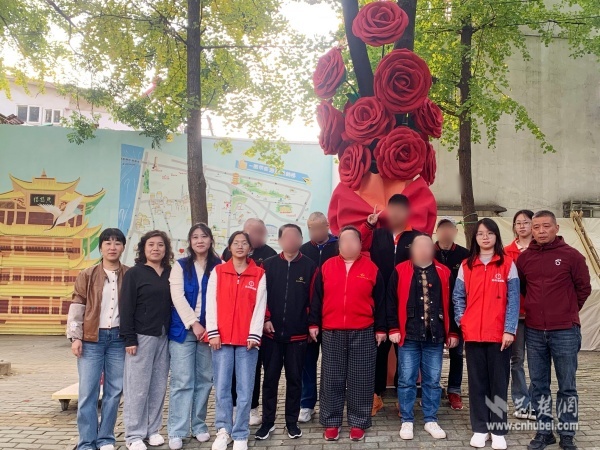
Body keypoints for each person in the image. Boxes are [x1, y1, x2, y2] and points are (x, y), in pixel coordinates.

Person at [516, 211, 591, 450]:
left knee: (567, 386)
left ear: (556, 228)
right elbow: (524, 288)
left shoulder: (572, 256)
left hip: (565, 331)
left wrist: (567, 310)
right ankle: (544, 432)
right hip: (534, 331)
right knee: (539, 385)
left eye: (546, 226)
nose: (541, 231)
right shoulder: (524, 259)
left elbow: (584, 288)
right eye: (536, 227)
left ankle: (567, 434)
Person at [308, 226, 387, 442]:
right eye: (344, 240)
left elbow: (381, 302)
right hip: (332, 331)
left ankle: (358, 422)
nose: (349, 244)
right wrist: (313, 323)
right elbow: (316, 298)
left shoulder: (371, 268)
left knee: (361, 379)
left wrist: (381, 328)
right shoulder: (327, 266)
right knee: (331, 378)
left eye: (353, 240)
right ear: (339, 244)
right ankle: (331, 421)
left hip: (363, 330)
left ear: (360, 244)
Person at [453, 218, 519, 450]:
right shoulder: (466, 265)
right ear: (475, 238)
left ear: (496, 236)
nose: (485, 237)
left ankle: (498, 430)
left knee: (498, 384)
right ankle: (480, 428)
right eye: (481, 233)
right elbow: (458, 297)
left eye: (490, 233)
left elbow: (513, 300)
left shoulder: (507, 264)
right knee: (477, 383)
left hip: (499, 336)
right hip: (473, 335)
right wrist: (463, 322)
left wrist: (509, 329)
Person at [388, 235, 460, 440]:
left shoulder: (444, 272)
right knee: (406, 379)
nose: (423, 249)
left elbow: (452, 303)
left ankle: (430, 419)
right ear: (412, 249)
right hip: (408, 335)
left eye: (427, 245)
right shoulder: (400, 270)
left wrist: (453, 331)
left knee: (433, 380)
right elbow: (391, 301)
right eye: (418, 246)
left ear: (433, 248)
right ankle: (407, 420)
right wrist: (393, 328)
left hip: (434, 336)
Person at [67, 228, 129, 450]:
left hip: (118, 340)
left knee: (114, 391)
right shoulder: (87, 274)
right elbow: (77, 306)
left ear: (123, 247)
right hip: (91, 339)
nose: (112, 247)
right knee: (88, 392)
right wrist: (75, 337)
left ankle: (106, 438)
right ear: (101, 247)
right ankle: (87, 441)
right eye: (108, 243)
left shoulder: (129, 275)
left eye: (117, 243)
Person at [360, 194, 422, 416]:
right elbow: (358, 244)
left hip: (406, 303)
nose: (395, 214)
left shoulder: (417, 237)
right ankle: (375, 397)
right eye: (392, 210)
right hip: (378, 300)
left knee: (405, 353)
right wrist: (369, 225)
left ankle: (402, 399)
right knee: (378, 351)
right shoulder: (378, 234)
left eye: (400, 210)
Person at [255, 224, 317, 440]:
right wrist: (266, 319)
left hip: (298, 335)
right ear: (280, 240)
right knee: (270, 379)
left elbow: (314, 299)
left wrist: (311, 324)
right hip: (271, 334)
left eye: (295, 236)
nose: (291, 240)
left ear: (301, 239)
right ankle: (268, 422)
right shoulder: (268, 265)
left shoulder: (310, 266)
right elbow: (261, 297)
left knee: (294, 380)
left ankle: (292, 422)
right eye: (287, 237)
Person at [206, 231, 268, 450]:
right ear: (229, 247)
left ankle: (241, 433)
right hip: (221, 339)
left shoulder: (258, 274)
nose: (240, 246)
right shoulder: (218, 271)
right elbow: (211, 302)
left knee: (245, 388)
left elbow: (260, 306)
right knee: (222, 387)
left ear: (250, 248)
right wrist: (213, 331)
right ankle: (223, 430)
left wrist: (254, 334)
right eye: (236, 243)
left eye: (244, 243)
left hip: (247, 341)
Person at [167, 223, 222, 450]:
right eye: (195, 237)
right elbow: (177, 297)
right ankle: (177, 430)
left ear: (210, 240)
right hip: (183, 331)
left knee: (205, 379)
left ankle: (198, 425)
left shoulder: (220, 266)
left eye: (204, 236)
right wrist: (194, 323)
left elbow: (221, 299)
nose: (200, 240)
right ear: (190, 242)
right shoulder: (180, 266)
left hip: (210, 332)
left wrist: (210, 327)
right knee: (182, 380)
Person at [120, 230, 173, 450]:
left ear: (166, 249)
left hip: (164, 336)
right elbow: (126, 307)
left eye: (160, 245)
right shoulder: (135, 274)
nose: (155, 249)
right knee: (137, 387)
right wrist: (129, 338)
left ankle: (153, 430)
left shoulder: (170, 272)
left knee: (158, 385)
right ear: (143, 248)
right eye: (151, 245)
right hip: (141, 337)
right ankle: (133, 435)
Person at [221, 217, 275, 426]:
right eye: (254, 232)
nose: (259, 236)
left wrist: (266, 318)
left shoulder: (270, 255)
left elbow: (268, 294)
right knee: (230, 371)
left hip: (256, 324)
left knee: (253, 368)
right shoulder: (226, 258)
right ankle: (233, 408)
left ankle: (252, 407)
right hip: (230, 324)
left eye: (262, 232)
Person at [298, 211, 338, 423]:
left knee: (331, 366)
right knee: (307, 363)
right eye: (311, 228)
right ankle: (306, 404)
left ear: (327, 226)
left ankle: (331, 404)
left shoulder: (338, 247)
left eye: (318, 227)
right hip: (309, 317)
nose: (315, 232)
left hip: (332, 316)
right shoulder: (303, 251)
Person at [504, 209, 536, 421]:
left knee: (537, 362)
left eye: (526, 222)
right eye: (518, 223)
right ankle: (521, 403)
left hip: (537, 315)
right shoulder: (506, 252)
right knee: (517, 360)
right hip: (515, 315)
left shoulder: (541, 249)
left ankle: (535, 402)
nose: (522, 226)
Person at [434, 217, 469, 410]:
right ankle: (433, 389)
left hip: (456, 310)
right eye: (443, 228)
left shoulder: (465, 255)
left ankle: (454, 390)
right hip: (433, 311)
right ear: (437, 232)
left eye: (450, 228)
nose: (446, 232)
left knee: (456, 352)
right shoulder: (428, 252)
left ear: (455, 232)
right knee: (433, 353)